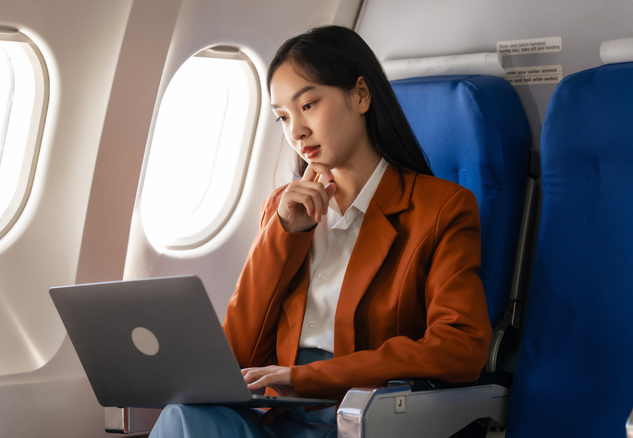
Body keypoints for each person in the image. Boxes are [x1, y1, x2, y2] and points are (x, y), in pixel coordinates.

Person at [150, 25, 492, 437]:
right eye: (282, 117)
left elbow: (460, 347)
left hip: (362, 417)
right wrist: (284, 234)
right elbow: (238, 352)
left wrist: (302, 377)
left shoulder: (440, 208)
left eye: (308, 104)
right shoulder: (282, 208)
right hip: (278, 415)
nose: (296, 131)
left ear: (361, 95)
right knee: (184, 414)